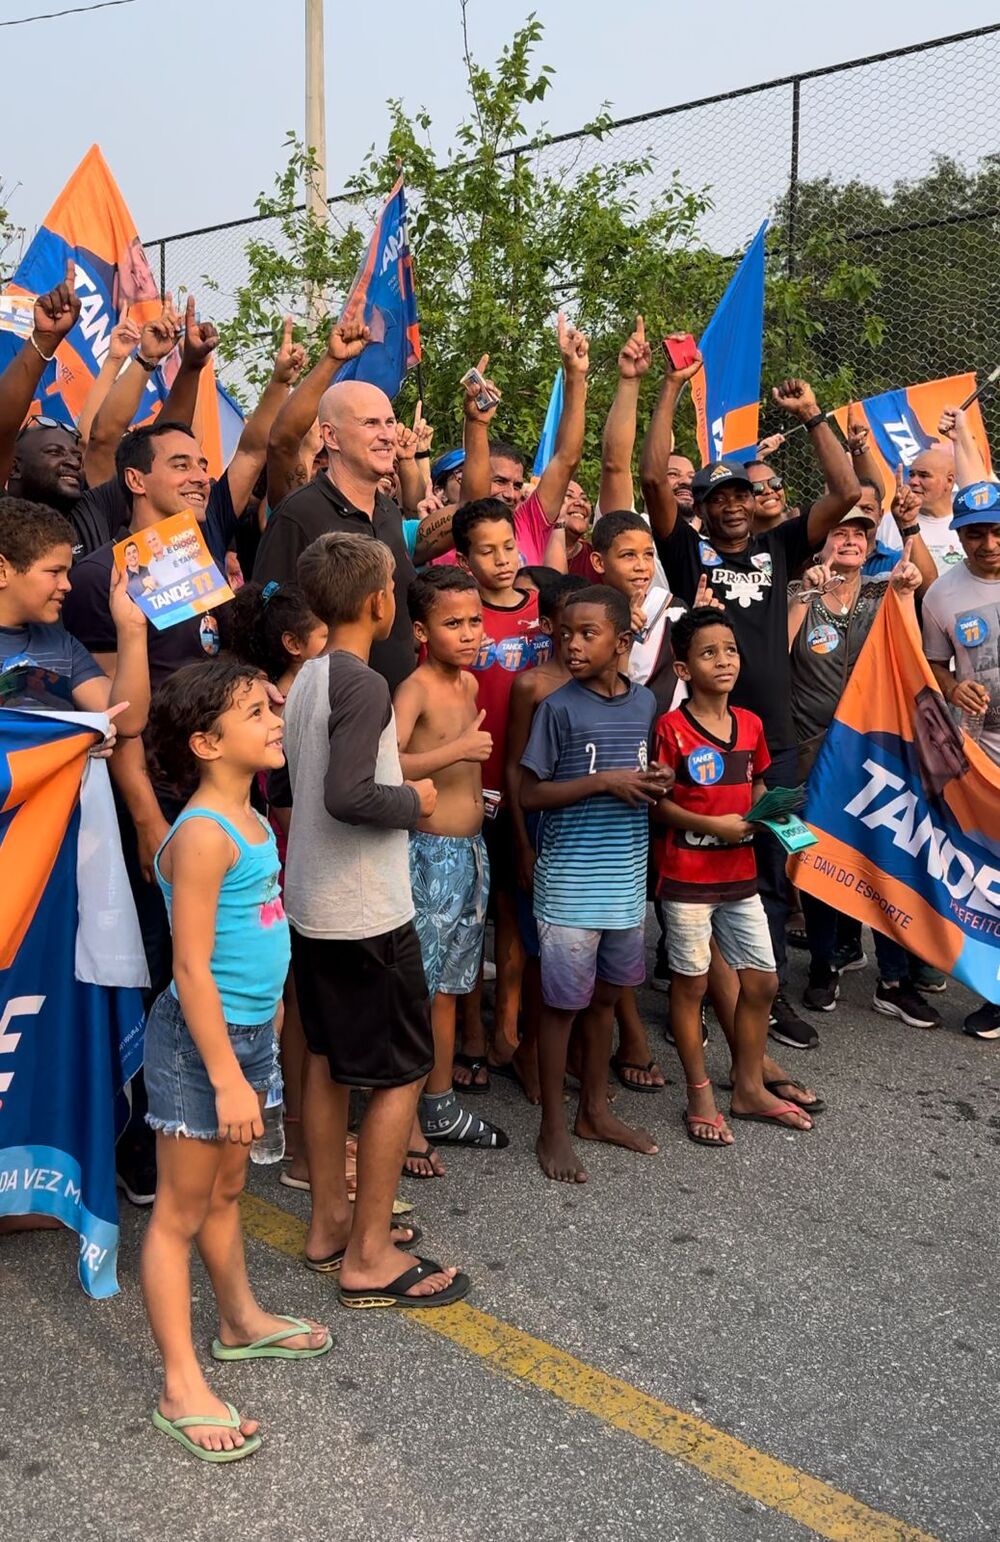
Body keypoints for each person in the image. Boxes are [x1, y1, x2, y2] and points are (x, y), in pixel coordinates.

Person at [641, 347, 861, 1051]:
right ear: (702, 509)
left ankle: (762, 1000)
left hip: (775, 745)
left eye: (743, 495)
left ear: (757, 502)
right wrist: (671, 389)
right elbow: (650, 477)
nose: (733, 506)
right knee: (699, 857)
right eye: (719, 498)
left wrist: (814, 416)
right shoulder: (688, 555)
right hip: (703, 740)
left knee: (767, 864)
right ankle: (690, 979)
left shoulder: (779, 551)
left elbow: (845, 493)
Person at [140, 659, 331, 1465]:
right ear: (206, 743)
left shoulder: (251, 818)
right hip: (201, 1046)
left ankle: (240, 1320)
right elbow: (189, 971)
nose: (274, 719)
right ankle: (180, 1384)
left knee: (225, 1189)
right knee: (178, 1215)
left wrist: (269, 1023)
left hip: (245, 1036)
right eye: (257, 711)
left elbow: (259, 929)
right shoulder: (203, 837)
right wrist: (224, 1075)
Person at [282, 530, 468, 1307]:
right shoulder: (359, 683)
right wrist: (415, 801)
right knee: (398, 1073)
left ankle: (331, 1221)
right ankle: (368, 1256)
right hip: (363, 911)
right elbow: (350, 796)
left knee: (327, 1064)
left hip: (316, 905)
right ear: (379, 602)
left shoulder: (308, 677)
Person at [520, 584, 670, 1183]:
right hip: (570, 883)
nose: (573, 645)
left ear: (623, 642)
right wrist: (604, 782)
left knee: (607, 997)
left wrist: (657, 779)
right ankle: (553, 1128)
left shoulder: (642, 706)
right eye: (566, 634)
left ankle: (595, 1110)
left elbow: (644, 771)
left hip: (625, 880)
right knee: (563, 1006)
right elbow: (530, 793)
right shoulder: (558, 706)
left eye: (589, 635)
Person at [652, 607, 813, 1143]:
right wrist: (710, 825)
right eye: (707, 653)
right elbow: (659, 807)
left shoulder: (751, 724)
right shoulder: (671, 729)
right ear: (682, 669)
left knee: (763, 982)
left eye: (730, 651)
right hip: (688, 880)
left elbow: (760, 788)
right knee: (691, 986)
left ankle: (747, 1085)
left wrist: (779, 819)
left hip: (740, 878)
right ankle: (699, 1093)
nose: (723, 661)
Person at [787, 518, 940, 1026]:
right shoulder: (797, 590)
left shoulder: (883, 590)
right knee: (820, 861)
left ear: (870, 547)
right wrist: (806, 596)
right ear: (822, 543)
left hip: (878, 752)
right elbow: (776, 656)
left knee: (885, 859)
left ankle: (893, 980)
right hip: (814, 755)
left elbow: (911, 649)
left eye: (860, 535)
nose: (849, 541)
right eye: (839, 534)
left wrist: (905, 585)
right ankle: (823, 967)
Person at [393, 567, 507, 1173]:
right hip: (427, 855)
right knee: (417, 988)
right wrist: (457, 753)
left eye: (474, 621)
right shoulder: (413, 688)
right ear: (420, 629)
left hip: (468, 851)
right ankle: (403, 1120)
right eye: (452, 623)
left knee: (448, 988)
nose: (468, 633)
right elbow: (387, 764)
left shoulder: (466, 683)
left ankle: (437, 1102)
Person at [253, 315, 419, 693]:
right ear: (331, 436)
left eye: (390, 423)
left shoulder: (389, 510)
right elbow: (263, 617)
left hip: (395, 715)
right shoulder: (299, 514)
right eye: (370, 424)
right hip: (330, 715)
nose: (387, 435)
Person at [449, 496, 550, 1083]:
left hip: (530, 785)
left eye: (509, 546)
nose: (503, 559)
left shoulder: (545, 611)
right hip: (470, 784)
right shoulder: (457, 618)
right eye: (486, 551)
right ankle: (469, 1027)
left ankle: (508, 1023)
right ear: (464, 560)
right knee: (469, 910)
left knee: (515, 904)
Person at [504, 572, 593, 1103]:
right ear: (551, 629)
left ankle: (575, 1047)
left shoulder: (609, 684)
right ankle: (529, 1047)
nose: (578, 643)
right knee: (543, 952)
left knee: (586, 949)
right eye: (569, 632)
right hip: (538, 827)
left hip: (590, 835)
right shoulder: (533, 685)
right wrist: (520, 842)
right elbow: (516, 769)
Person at [922, 480, 1000, 1039]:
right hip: (984, 756)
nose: (989, 543)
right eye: (976, 533)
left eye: (997, 530)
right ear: (960, 536)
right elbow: (934, 666)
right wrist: (952, 689)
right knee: (989, 876)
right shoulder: (941, 596)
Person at [0, 498, 148, 727]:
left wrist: (132, 629)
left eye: (67, 572)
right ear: (2, 571)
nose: (67, 585)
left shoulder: (63, 646)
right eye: (54, 572)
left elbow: (126, 721)